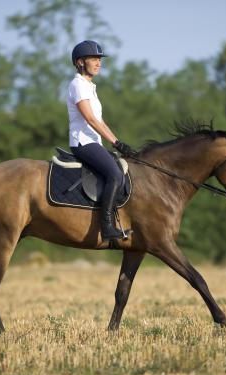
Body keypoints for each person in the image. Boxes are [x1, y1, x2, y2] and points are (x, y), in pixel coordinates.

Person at [67, 40, 136, 242]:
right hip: (82, 143)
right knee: (115, 174)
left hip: (93, 142)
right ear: (80, 62)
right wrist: (116, 143)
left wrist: (118, 142)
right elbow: (90, 119)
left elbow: (100, 122)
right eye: (94, 59)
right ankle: (106, 227)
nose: (98, 63)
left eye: (99, 59)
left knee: (121, 169)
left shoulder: (89, 87)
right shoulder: (77, 85)